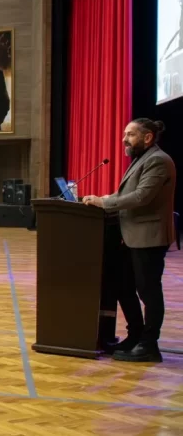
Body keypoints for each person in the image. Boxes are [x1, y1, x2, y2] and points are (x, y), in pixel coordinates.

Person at [82, 118, 176, 362]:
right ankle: (135, 335)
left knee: (149, 292)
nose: (124, 139)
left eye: (130, 134)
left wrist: (104, 202)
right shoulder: (142, 159)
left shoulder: (158, 160)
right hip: (133, 237)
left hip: (149, 238)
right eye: (125, 134)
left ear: (148, 137)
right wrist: (103, 198)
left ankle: (149, 345)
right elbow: (126, 194)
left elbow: (141, 197)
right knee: (123, 285)